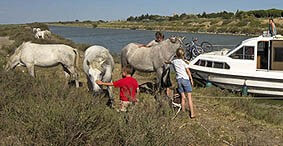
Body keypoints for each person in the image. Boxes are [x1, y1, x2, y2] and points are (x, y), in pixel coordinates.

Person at [165, 48, 195, 118]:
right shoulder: (183, 62)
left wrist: (165, 62)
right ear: (183, 54)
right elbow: (188, 71)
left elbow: (169, 62)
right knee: (189, 97)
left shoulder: (174, 61)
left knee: (183, 97)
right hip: (185, 79)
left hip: (179, 80)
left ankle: (183, 111)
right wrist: (191, 80)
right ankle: (192, 114)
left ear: (176, 54)